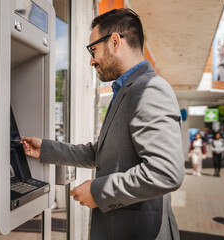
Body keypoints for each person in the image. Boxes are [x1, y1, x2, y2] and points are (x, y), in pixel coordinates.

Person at [22, 8, 184, 240]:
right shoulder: (127, 90)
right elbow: (100, 153)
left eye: (93, 49)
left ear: (115, 42)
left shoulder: (149, 90)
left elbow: (166, 172)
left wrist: (98, 191)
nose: (91, 60)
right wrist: (46, 149)